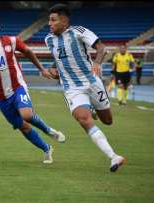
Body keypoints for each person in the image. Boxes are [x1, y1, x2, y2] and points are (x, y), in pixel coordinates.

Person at [0, 15, 66, 164]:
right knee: (23, 127)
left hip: (18, 87)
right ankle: (46, 149)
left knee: (27, 115)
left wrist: (42, 69)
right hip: (1, 97)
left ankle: (48, 130)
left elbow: (28, 52)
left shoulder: (12, 41)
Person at [45, 4, 126, 172]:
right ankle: (114, 157)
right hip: (72, 88)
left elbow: (101, 48)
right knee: (83, 119)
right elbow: (60, 58)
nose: (49, 23)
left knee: (108, 121)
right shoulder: (49, 39)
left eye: (53, 20)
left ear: (64, 21)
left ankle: (94, 109)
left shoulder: (79, 32)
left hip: (92, 82)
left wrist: (97, 63)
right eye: (49, 20)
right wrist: (54, 69)